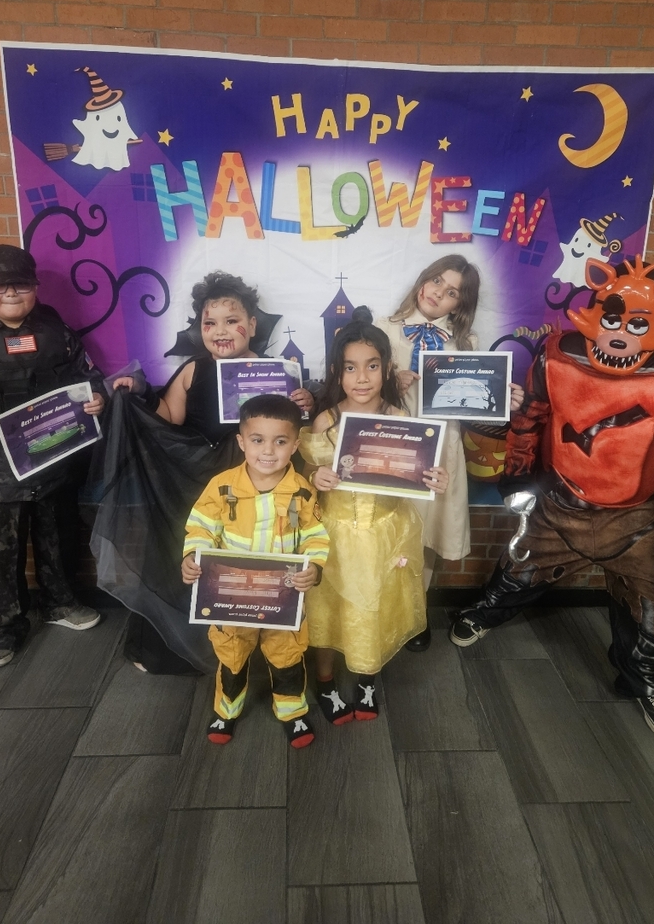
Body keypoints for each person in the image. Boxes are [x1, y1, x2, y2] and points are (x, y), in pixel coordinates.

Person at [449, 256, 654, 741]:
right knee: (518, 570)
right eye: (612, 320)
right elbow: (529, 418)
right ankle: (482, 614)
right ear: (596, 314)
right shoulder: (556, 355)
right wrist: (518, 474)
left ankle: (647, 683)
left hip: (642, 519)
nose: (619, 336)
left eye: (637, 325)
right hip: (559, 503)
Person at [96, 271, 314, 674]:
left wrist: (304, 401)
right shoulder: (193, 370)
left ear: (251, 325)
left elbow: (291, 432)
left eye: (232, 321)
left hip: (261, 488)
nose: (221, 331)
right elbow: (163, 422)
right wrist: (137, 395)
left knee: (257, 564)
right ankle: (186, 650)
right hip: (202, 487)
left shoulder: (279, 370)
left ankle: (265, 650)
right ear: (200, 330)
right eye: (209, 323)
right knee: (193, 561)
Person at [0, 245, 105, 667]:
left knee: (58, 537)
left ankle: (60, 604)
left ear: (35, 286)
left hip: (53, 456)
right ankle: (5, 628)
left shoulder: (54, 328)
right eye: (0, 285)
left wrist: (97, 397)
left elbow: (88, 376)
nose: (12, 293)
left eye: (22, 283)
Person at [299, 308, 448, 724]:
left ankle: (366, 678)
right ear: (337, 371)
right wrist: (317, 474)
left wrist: (435, 476)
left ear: (386, 369)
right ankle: (326, 681)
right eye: (350, 368)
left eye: (371, 366)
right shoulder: (327, 420)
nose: (361, 378)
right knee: (328, 610)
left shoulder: (400, 420)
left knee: (374, 610)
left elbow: (418, 471)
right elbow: (305, 474)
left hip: (386, 533)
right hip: (336, 534)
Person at [378, 255, 523, 650]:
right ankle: (382, 607)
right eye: (437, 281)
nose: (439, 293)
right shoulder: (381, 329)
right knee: (387, 527)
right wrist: (392, 380)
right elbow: (357, 385)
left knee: (426, 532)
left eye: (452, 292)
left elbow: (475, 402)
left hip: (440, 448)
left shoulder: (466, 344)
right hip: (392, 444)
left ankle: (415, 610)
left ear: (459, 305)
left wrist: (504, 399)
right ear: (423, 279)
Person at [182, 394, 329, 747]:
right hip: (232, 598)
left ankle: (292, 711)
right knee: (232, 655)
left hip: (284, 597)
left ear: (295, 444)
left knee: (287, 656)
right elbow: (199, 528)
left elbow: (315, 537)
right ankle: (226, 711)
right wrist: (193, 557)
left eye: (280, 441)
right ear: (241, 442)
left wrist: (314, 568)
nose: (268, 451)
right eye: (257, 440)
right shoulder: (222, 487)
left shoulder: (303, 493)